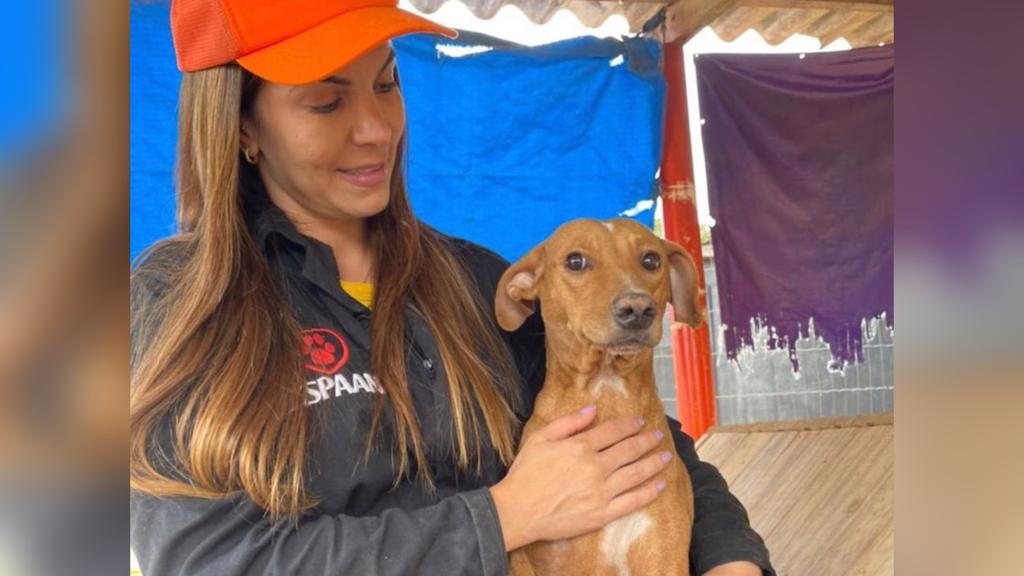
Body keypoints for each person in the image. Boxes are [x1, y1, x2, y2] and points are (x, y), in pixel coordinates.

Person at [129, 1, 774, 574]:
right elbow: (211, 560)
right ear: (241, 126)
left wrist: (729, 554)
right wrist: (502, 518)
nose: (377, 128)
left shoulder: (473, 282)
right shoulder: (184, 304)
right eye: (327, 101)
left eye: (387, 83)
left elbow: (633, 432)